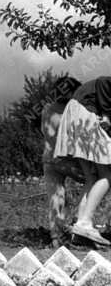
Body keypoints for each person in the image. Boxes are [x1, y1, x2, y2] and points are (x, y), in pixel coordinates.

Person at [53, 76, 111, 245]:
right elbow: (102, 82)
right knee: (107, 175)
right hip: (85, 114)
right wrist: (107, 115)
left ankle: (79, 229)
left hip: (77, 115)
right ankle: (85, 222)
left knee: (92, 178)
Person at [42, 76, 84, 242]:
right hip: (69, 159)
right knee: (96, 183)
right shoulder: (74, 109)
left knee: (55, 197)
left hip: (49, 158)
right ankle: (81, 226)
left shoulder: (47, 109)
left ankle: (56, 237)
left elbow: (46, 133)